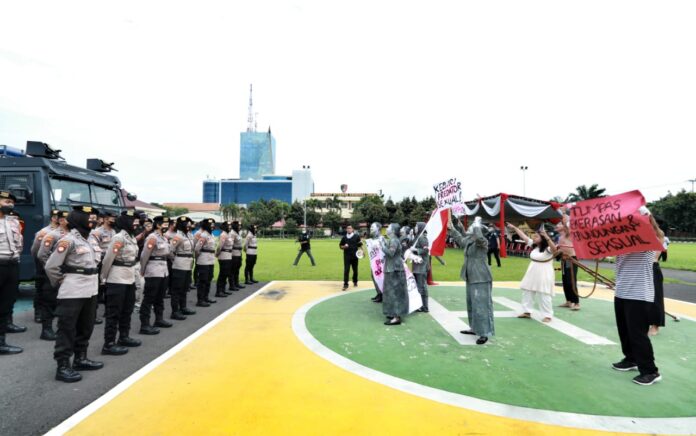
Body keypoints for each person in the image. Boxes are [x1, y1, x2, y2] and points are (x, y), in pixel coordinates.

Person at [45, 205, 104, 382]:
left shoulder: (92, 239)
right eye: (89, 218)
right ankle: (62, 366)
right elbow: (51, 266)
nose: (93, 220)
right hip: (73, 290)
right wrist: (61, 281)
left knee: (86, 326)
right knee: (67, 329)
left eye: (94, 218)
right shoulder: (68, 240)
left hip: (91, 288)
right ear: (78, 219)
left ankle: (80, 358)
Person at [611, 207, 662, 386]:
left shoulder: (648, 239)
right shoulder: (621, 241)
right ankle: (631, 359)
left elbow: (650, 234)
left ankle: (650, 371)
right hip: (622, 291)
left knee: (637, 334)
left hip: (639, 294)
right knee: (624, 330)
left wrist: (643, 216)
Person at [100, 210, 141, 355]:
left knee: (127, 310)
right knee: (114, 312)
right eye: (133, 221)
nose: (136, 223)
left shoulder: (131, 237)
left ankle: (124, 337)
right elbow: (108, 259)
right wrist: (103, 278)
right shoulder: (119, 237)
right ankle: (109, 343)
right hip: (117, 278)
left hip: (129, 277)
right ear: (125, 222)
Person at [448, 216, 494, 345]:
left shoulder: (482, 242)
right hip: (471, 275)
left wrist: (477, 224)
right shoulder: (470, 240)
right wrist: (452, 229)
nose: (470, 228)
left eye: (472, 227)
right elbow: (461, 241)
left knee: (481, 306)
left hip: (481, 277)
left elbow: (479, 237)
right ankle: (474, 328)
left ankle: (484, 333)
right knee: (472, 304)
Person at [507, 222, 556, 322]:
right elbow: (524, 236)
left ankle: (547, 315)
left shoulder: (548, 249)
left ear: (543, 239)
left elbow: (554, 250)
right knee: (527, 291)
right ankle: (527, 311)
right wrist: (515, 227)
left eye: (537, 236)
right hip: (532, 272)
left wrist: (546, 236)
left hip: (544, 273)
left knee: (544, 294)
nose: (534, 237)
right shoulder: (535, 247)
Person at [35, 211, 70, 340]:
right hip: (52, 273)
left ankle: (61, 328)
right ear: (60, 221)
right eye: (67, 219)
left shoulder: (72, 235)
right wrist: (51, 269)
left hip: (67, 272)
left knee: (62, 301)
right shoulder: (52, 235)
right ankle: (46, 330)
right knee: (49, 301)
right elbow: (41, 255)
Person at [139, 216, 173, 335]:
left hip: (163, 270)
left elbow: (168, 253)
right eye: (164, 224)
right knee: (149, 298)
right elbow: (144, 255)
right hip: (153, 270)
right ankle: (145, 324)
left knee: (160, 297)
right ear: (158, 225)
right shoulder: (152, 237)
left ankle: (159, 319)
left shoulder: (164, 238)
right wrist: (142, 270)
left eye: (167, 224)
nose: (167, 226)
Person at [0, 191, 23, 355]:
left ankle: (1, 342)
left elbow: (18, 244)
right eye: (6, 201)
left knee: (6, 303)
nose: (10, 204)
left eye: (11, 202)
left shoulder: (13, 221)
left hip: (12, 264)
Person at [31, 209, 60, 323]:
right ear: (53, 218)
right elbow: (34, 250)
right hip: (43, 263)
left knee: (53, 290)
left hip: (55, 264)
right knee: (40, 289)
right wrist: (43, 262)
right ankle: (38, 313)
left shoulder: (63, 231)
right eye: (58, 217)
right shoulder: (44, 232)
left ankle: (51, 311)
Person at [89, 210, 117, 324]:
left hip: (112, 261)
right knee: (98, 289)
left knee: (110, 288)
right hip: (101, 262)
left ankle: (108, 310)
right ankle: (93, 315)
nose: (114, 220)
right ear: (105, 219)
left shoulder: (114, 231)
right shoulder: (97, 232)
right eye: (112, 218)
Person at [168, 216, 197, 320]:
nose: (189, 225)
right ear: (181, 225)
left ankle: (183, 307)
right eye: (186, 224)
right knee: (176, 289)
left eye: (189, 224)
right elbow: (170, 251)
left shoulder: (189, 235)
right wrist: (176, 260)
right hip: (179, 264)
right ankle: (175, 311)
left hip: (188, 265)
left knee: (185, 288)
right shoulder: (178, 236)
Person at [380, 223, 408, 325]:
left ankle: (396, 317)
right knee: (390, 293)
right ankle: (393, 313)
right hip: (392, 268)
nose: (386, 229)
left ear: (392, 230)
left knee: (394, 293)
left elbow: (391, 253)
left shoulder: (394, 240)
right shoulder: (392, 240)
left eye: (388, 227)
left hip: (394, 270)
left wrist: (382, 246)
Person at [556, 208, 580, 310]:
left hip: (572, 259)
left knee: (571, 281)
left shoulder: (568, 234)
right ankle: (568, 301)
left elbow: (568, 224)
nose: (557, 226)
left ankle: (576, 302)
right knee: (565, 281)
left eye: (559, 224)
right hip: (564, 260)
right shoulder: (560, 237)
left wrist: (563, 214)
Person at [648, 216, 666, 336]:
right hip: (640, 269)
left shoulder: (659, 234)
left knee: (656, 297)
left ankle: (656, 325)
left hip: (652, 267)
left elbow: (655, 253)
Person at [194, 218, 217, 307]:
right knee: (203, 280)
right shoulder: (203, 235)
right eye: (210, 225)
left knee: (209, 279)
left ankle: (206, 297)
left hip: (210, 259)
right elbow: (197, 249)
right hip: (203, 260)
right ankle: (200, 300)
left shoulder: (211, 235)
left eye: (213, 225)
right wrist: (198, 258)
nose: (212, 226)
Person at [410, 222, 430, 312]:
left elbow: (426, 250)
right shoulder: (417, 237)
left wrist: (415, 250)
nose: (415, 228)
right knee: (419, 286)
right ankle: (420, 305)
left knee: (422, 286)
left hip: (421, 266)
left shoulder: (422, 238)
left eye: (416, 226)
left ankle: (424, 306)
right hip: (417, 266)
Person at [215, 221, 235, 297]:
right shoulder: (223, 235)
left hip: (228, 256)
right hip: (223, 256)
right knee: (222, 274)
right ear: (225, 227)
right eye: (228, 226)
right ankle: (218, 291)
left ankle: (223, 290)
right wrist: (217, 254)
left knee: (226, 274)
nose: (230, 227)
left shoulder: (228, 234)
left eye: (230, 226)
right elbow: (220, 246)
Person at [339, 225, 362, 291]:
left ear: (352, 229)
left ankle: (355, 281)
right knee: (346, 270)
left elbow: (360, 245)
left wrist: (362, 251)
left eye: (350, 228)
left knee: (355, 270)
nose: (349, 229)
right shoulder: (344, 237)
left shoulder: (356, 236)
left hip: (355, 256)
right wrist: (344, 247)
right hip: (347, 256)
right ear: (346, 230)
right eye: (347, 228)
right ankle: (345, 284)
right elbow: (340, 246)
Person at [368, 222, 383, 303]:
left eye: (372, 227)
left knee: (379, 278)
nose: (371, 228)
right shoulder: (373, 239)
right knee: (373, 277)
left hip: (380, 264)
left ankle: (382, 294)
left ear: (378, 228)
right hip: (374, 263)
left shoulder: (381, 238)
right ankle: (379, 293)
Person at [229, 221, 245, 291]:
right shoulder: (232, 233)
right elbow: (230, 244)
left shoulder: (237, 233)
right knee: (233, 270)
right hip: (234, 253)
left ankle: (236, 283)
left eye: (240, 225)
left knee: (237, 269)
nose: (240, 227)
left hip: (238, 253)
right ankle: (232, 285)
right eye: (238, 225)